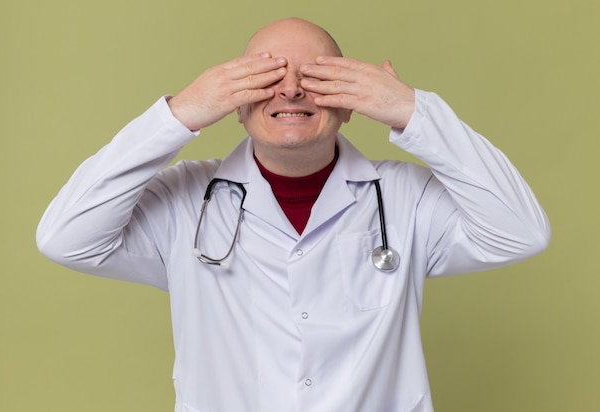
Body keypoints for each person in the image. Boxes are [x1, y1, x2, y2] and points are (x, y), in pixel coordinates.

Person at [37, 17, 550, 412]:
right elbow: (65, 237)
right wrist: (181, 113)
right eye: (267, 76)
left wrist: (414, 111)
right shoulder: (185, 199)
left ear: (352, 103)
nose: (290, 91)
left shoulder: (403, 197)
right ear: (233, 103)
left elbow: (521, 232)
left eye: (315, 77)